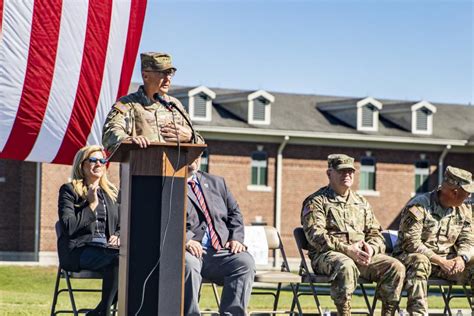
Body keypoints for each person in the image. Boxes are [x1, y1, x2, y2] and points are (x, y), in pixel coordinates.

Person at [301, 154, 405, 316]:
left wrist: (371, 248)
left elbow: (376, 233)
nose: (347, 175)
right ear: (329, 173)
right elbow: (316, 235)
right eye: (342, 171)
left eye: (350, 171)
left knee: (395, 266)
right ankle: (345, 313)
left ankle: (388, 313)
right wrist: (347, 250)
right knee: (346, 265)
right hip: (327, 256)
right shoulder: (316, 201)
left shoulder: (361, 202)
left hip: (361, 255)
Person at [393, 166, 474, 315]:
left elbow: (468, 240)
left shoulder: (464, 210)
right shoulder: (419, 206)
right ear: (454, 192)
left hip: (448, 263)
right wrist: (440, 261)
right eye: (466, 194)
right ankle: (418, 313)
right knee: (420, 261)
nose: (468, 198)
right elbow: (410, 243)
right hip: (411, 259)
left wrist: (462, 258)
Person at [184, 156, 255, 316]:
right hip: (189, 251)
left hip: (219, 251)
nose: (195, 159)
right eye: (191, 154)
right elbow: (165, 215)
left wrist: (235, 238)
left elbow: (234, 213)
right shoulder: (170, 182)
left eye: (198, 155)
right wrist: (186, 239)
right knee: (188, 264)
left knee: (244, 262)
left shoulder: (217, 182)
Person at [57, 145, 120, 316]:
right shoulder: (69, 191)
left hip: (107, 250)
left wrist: (118, 235)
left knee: (132, 263)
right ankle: (103, 313)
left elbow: (123, 223)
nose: (98, 164)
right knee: (118, 261)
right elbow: (69, 226)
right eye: (92, 160)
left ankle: (98, 313)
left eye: (102, 160)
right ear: (81, 165)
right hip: (78, 250)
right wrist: (91, 206)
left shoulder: (112, 193)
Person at [102, 52, 204, 152]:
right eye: (162, 73)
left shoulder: (175, 106)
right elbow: (109, 134)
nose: (168, 79)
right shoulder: (127, 105)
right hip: (140, 167)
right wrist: (128, 140)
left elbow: (200, 143)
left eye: (170, 73)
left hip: (174, 168)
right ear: (145, 76)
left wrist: (190, 137)